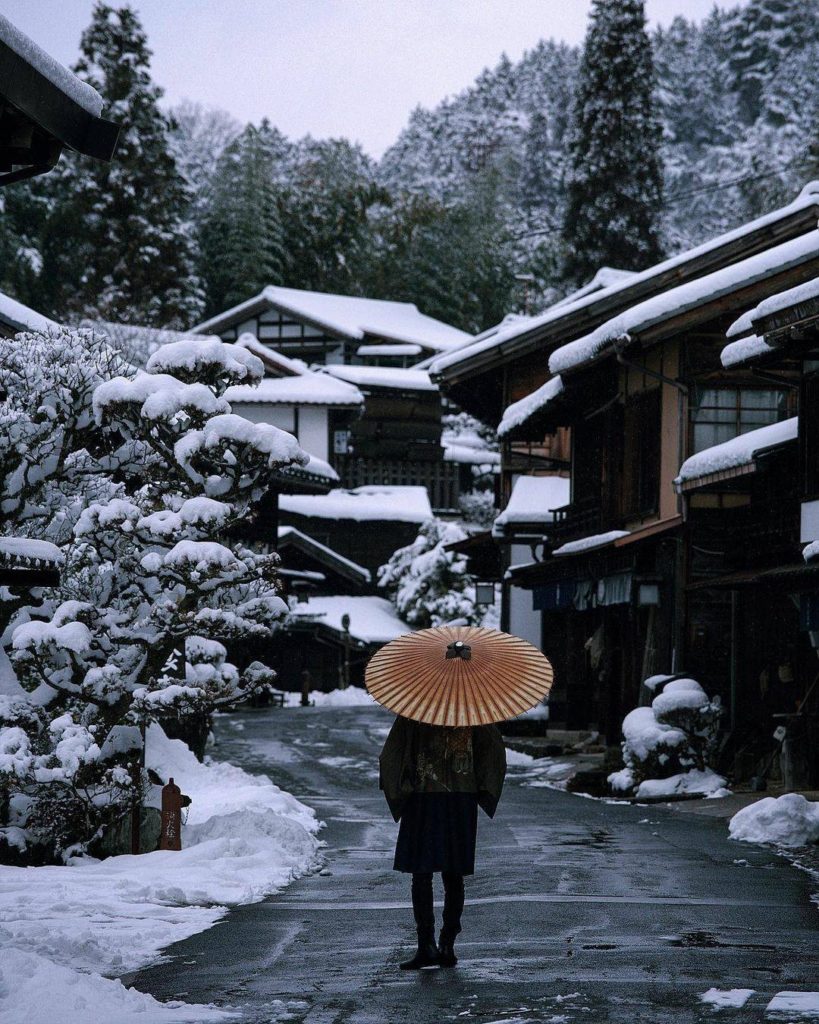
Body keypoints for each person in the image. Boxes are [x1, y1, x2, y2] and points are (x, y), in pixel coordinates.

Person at [379, 716, 506, 969]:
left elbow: (391, 755)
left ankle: (426, 944)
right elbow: (493, 753)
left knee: (422, 873)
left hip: (423, 795)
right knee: (453, 872)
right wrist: (479, 787)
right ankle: (447, 944)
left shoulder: (415, 708)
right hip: (460, 797)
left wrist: (401, 787)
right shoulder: (473, 710)